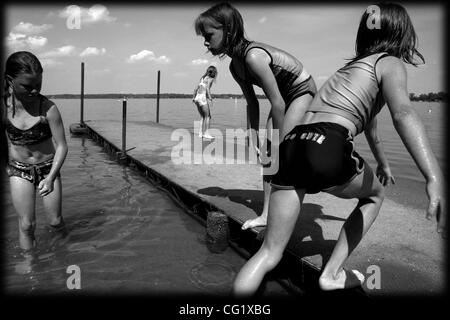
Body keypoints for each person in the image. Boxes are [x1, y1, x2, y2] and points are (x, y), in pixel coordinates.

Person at [232, 2, 446, 295]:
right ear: (402, 33)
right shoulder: (390, 63)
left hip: (292, 145)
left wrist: (382, 163)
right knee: (374, 196)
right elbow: (404, 114)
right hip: (326, 143)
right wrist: (433, 177)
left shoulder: (347, 70)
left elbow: (369, 126)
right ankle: (330, 274)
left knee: (268, 254)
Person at [195, 2, 318, 230]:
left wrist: (278, 144)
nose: (205, 41)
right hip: (283, 97)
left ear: (229, 30)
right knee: (268, 154)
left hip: (301, 91)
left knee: (280, 152)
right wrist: (253, 138)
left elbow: (277, 103)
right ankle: (267, 214)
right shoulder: (235, 67)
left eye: (209, 35)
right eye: (203, 36)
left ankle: (283, 211)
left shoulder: (253, 56)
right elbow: (252, 103)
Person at [2, 51, 68, 251]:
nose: (34, 91)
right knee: (26, 225)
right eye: (27, 86)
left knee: (55, 222)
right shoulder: (3, 107)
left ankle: (61, 255)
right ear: (10, 80)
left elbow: (62, 146)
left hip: (49, 170)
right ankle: (31, 269)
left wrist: (51, 177)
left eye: (38, 85)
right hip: (19, 170)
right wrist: (6, 166)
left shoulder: (48, 108)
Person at [192, 65, 218, 139]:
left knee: (202, 116)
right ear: (214, 72)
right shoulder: (210, 79)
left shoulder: (202, 78)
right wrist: (210, 98)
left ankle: (200, 134)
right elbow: (207, 89)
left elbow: (195, 88)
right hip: (203, 97)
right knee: (208, 116)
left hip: (197, 98)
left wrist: (193, 97)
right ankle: (206, 133)